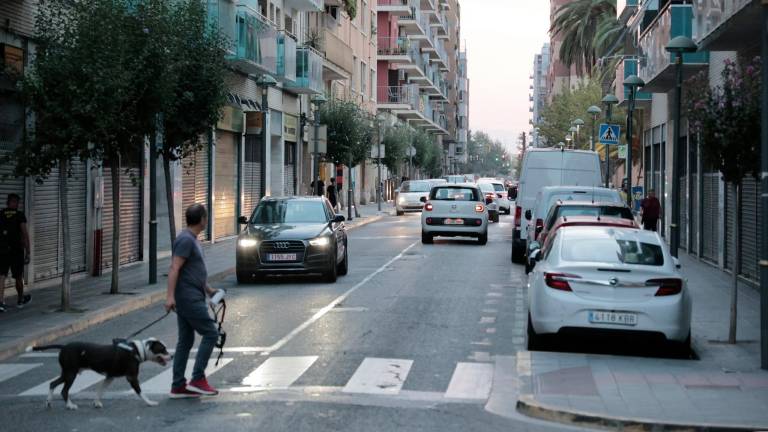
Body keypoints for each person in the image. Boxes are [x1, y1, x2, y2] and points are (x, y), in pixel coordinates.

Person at [165, 204, 220, 398]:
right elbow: (174, 268)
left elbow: (193, 271)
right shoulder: (185, 240)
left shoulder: (192, 239)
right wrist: (170, 296)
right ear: (203, 219)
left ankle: (178, 385)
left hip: (194, 295)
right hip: (188, 299)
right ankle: (198, 378)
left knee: (186, 340)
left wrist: (209, 290)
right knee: (211, 333)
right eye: (206, 217)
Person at [0, 193, 31, 312]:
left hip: (2, 250)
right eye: (17, 202)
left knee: (1, 276)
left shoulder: (1, 214)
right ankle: (20, 299)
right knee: (18, 276)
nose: (17, 204)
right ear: (13, 202)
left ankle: (1, 302)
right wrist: (28, 252)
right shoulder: (19, 215)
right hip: (16, 250)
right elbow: (24, 233)